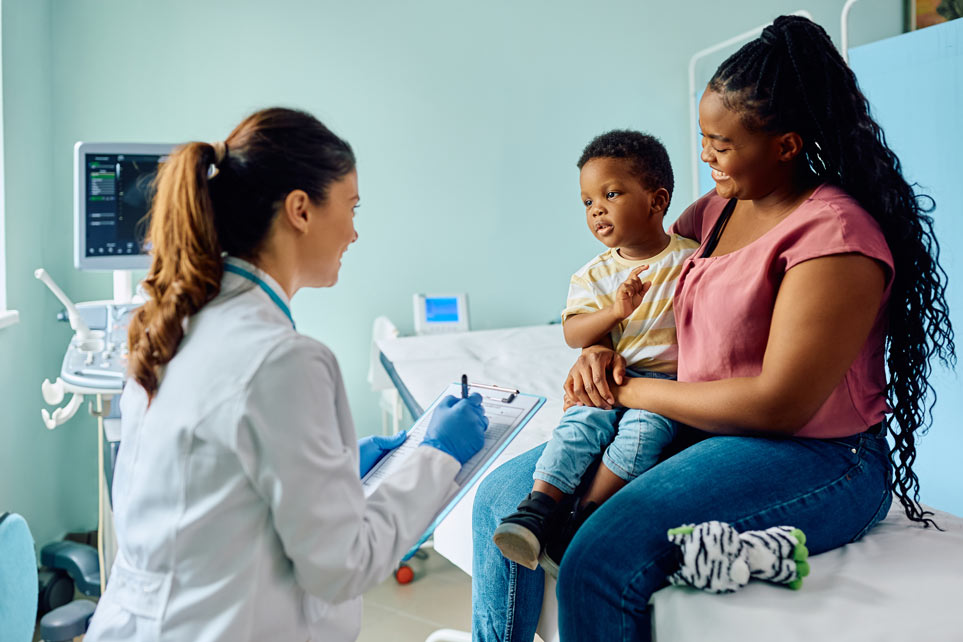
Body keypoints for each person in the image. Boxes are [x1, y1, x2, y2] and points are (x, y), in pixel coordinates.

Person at [471, 15, 954, 641]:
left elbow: (779, 405)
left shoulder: (834, 239)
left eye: (721, 145)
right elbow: (642, 286)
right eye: (704, 138)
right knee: (494, 505)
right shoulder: (716, 212)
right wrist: (595, 349)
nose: (705, 156)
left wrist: (629, 391)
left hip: (817, 456)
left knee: (599, 554)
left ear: (785, 145)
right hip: (695, 426)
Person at [85, 107, 489, 642]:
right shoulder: (283, 359)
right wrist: (439, 457)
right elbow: (344, 565)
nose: (354, 232)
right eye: (351, 207)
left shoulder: (171, 325)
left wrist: (342, 470)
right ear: (300, 209)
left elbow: (216, 499)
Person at [492, 131, 699, 576]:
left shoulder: (691, 262)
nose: (597, 209)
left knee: (642, 438)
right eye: (587, 202)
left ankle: (583, 516)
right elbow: (573, 332)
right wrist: (615, 311)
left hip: (661, 388)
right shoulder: (593, 274)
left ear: (656, 200)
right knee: (579, 424)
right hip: (608, 380)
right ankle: (538, 507)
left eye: (611, 193)